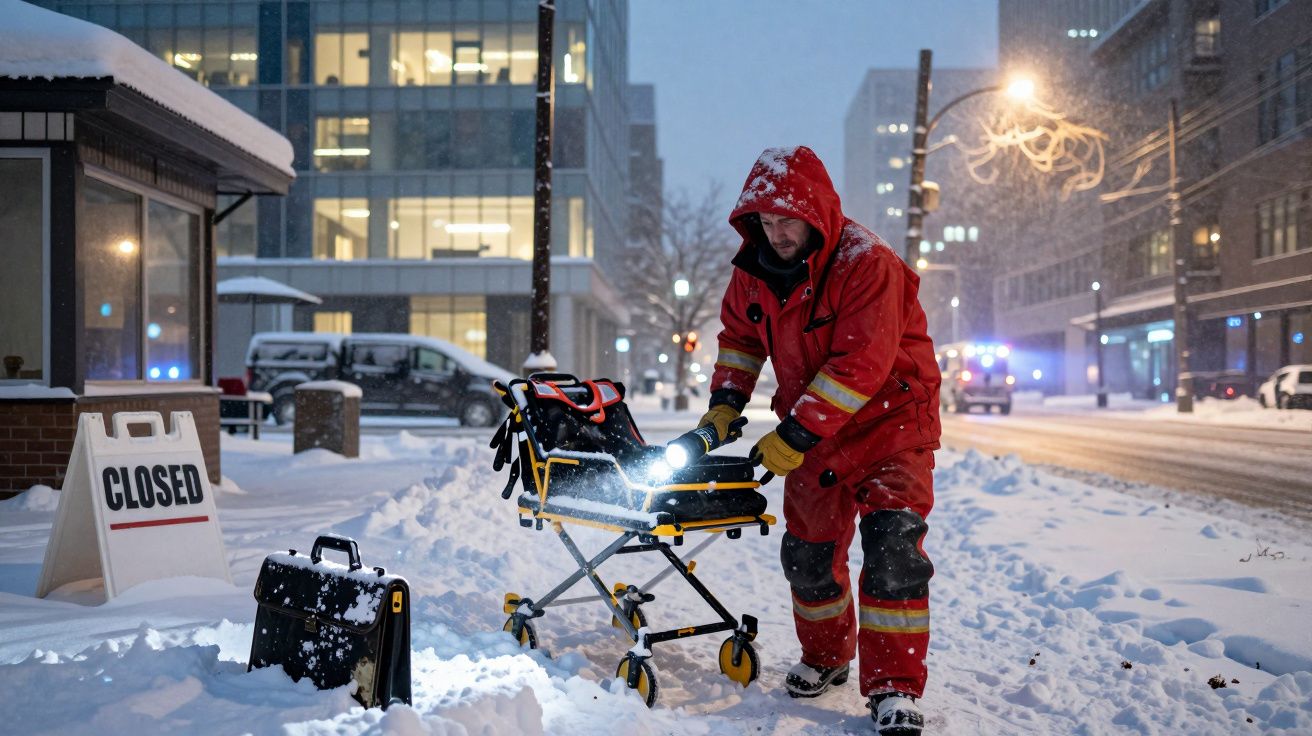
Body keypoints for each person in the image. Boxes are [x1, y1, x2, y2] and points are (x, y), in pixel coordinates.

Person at [696, 146, 941, 734]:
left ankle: (894, 688)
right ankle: (828, 657)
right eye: (766, 222)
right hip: (814, 432)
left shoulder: (867, 263)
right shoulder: (753, 268)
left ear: (817, 215)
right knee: (807, 557)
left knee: (893, 553)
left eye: (788, 222)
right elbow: (739, 337)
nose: (776, 235)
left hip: (891, 426)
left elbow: (863, 362)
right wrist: (726, 404)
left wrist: (795, 433)